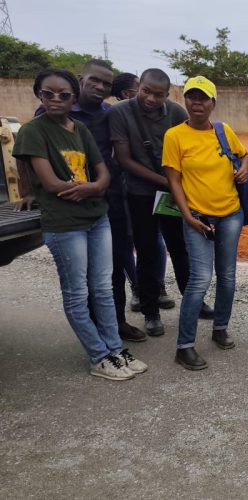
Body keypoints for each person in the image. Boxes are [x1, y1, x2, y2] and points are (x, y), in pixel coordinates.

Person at [12, 68, 147, 380]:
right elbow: (50, 181)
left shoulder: (80, 129)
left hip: (96, 217)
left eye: (63, 95)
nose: (55, 99)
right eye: (48, 94)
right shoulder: (35, 130)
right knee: (76, 292)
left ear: (73, 98)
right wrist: (91, 187)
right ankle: (99, 356)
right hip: (64, 223)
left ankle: (115, 349)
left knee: (102, 288)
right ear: (39, 94)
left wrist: (96, 187)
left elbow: (102, 170)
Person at [109, 68, 210, 337]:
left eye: (159, 94)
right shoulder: (120, 113)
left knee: (181, 249)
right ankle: (151, 312)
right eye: (146, 91)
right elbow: (124, 160)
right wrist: (166, 181)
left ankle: (195, 302)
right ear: (138, 86)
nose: (152, 99)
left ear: (168, 94)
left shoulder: (176, 112)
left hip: (172, 195)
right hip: (140, 193)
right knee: (147, 252)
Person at [163, 76, 248, 370]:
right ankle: (184, 346)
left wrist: (245, 170)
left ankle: (220, 328)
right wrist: (187, 215)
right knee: (200, 279)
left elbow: (244, 155)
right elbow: (173, 179)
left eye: (203, 98)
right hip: (197, 217)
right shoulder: (175, 136)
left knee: (227, 276)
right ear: (184, 100)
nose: (196, 103)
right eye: (191, 97)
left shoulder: (223, 131)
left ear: (213, 103)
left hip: (231, 213)